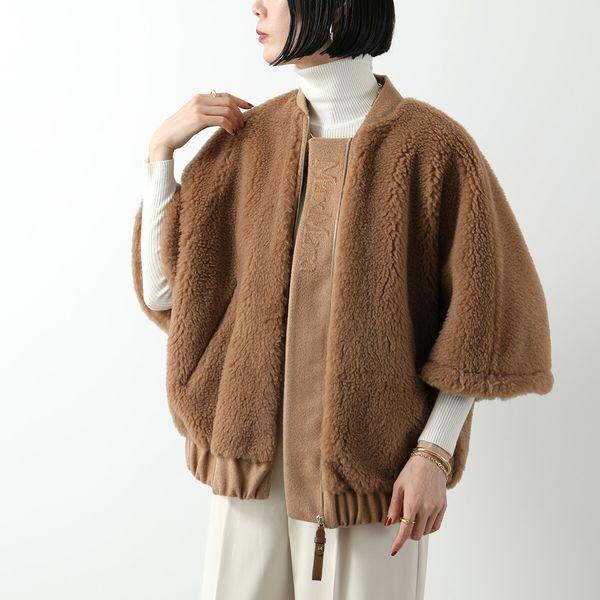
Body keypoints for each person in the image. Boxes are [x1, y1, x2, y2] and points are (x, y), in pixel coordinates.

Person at [131, 1, 553, 598]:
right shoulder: (248, 141)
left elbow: (482, 324)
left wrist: (433, 453)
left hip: (375, 487)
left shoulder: (433, 149)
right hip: (251, 477)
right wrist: (160, 154)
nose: (257, 6)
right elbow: (168, 291)